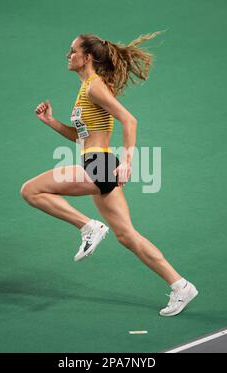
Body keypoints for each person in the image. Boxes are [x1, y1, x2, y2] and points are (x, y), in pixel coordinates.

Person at [21, 32, 198, 316]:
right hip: (98, 165)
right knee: (127, 236)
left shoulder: (94, 87)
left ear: (87, 57)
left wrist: (128, 161)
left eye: (72, 51)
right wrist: (51, 121)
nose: (68, 55)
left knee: (31, 190)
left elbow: (130, 120)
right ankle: (180, 285)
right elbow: (82, 138)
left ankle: (88, 227)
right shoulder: (86, 89)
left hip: (99, 166)